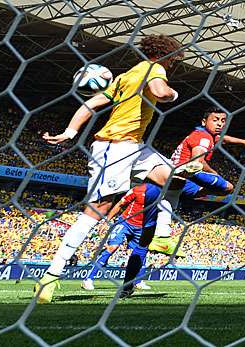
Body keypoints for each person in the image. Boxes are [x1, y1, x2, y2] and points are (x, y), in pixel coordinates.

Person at [34, 34, 200, 304]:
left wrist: (70, 131)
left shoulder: (125, 76)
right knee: (96, 212)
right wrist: (173, 93)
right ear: (168, 55)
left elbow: (91, 103)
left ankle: (161, 235)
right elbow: (160, 92)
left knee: (174, 180)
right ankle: (51, 275)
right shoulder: (153, 68)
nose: (175, 64)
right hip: (114, 147)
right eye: (175, 59)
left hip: (136, 146)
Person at [145, 107, 245, 254]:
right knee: (228, 187)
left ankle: (161, 237)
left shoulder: (208, 135)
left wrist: (244, 141)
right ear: (204, 121)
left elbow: (224, 139)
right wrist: (216, 174)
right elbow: (199, 161)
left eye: (223, 121)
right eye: (215, 120)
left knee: (168, 202)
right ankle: (190, 180)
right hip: (184, 172)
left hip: (176, 176)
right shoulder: (203, 137)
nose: (220, 124)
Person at [81, 183, 185, 291]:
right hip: (125, 222)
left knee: (141, 253)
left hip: (141, 228)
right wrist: (107, 221)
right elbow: (120, 204)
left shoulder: (162, 195)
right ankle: (88, 279)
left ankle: (138, 281)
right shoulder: (138, 189)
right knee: (112, 247)